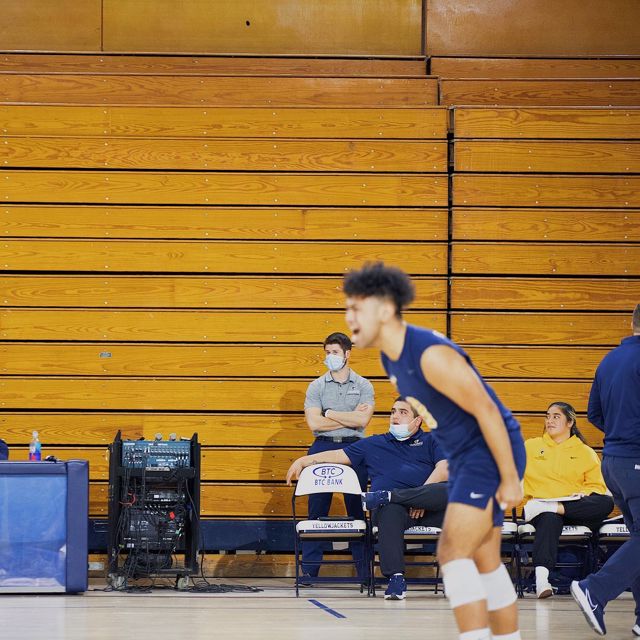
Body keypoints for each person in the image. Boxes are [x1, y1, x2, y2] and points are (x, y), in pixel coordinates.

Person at [341, 262, 525, 640]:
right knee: (485, 560)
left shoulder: (430, 355)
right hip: (466, 458)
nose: (349, 317)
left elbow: (488, 412)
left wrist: (509, 478)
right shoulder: (390, 358)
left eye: (356, 308)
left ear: (385, 310)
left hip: (488, 453)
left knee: (452, 553)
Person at [287, 396, 449, 600]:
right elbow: (338, 455)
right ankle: (396, 579)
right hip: (394, 511)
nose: (395, 416)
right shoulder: (374, 443)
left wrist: (419, 498)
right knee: (389, 510)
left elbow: (444, 468)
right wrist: (304, 460)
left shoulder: (433, 440)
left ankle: (389, 496)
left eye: (403, 412)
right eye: (393, 411)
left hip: (427, 506)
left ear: (418, 420)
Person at [571, 303, 640, 637]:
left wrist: (620, 433)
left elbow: (594, 414)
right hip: (636, 460)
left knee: (638, 539)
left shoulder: (609, 360)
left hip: (613, 462)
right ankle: (594, 590)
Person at [301, 331, 374, 583]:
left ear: (347, 354)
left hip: (355, 448)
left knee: (357, 510)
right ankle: (310, 572)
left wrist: (329, 413)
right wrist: (349, 418)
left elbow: (363, 421)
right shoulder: (316, 386)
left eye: (334, 352)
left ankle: (364, 573)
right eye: (327, 352)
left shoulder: (363, 385)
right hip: (322, 446)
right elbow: (314, 423)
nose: (330, 357)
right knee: (316, 509)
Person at [523, 402, 613, 599]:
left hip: (575, 508)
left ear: (570, 422)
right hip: (541, 510)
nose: (550, 420)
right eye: (548, 416)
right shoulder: (530, 447)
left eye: (556, 416)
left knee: (606, 502)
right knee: (549, 517)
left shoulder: (585, 452)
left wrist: (583, 493)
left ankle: (553, 507)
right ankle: (542, 580)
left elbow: (597, 486)